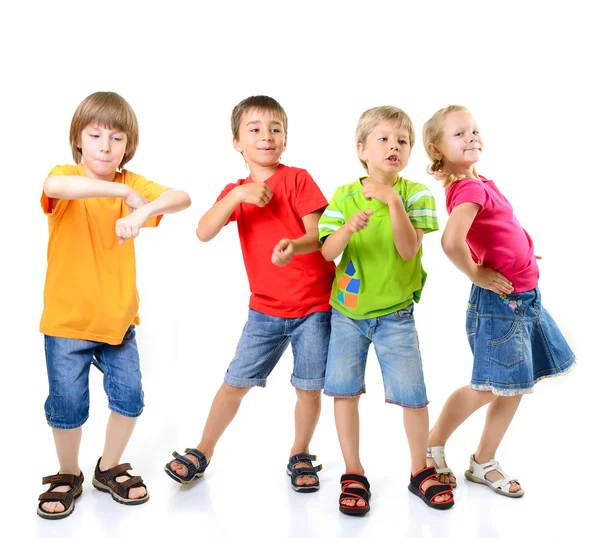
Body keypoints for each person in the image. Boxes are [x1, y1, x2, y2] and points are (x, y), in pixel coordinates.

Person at [165, 96, 335, 494]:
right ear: (236, 142)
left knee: (308, 387)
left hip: (314, 306)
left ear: (286, 139)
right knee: (235, 381)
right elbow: (203, 231)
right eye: (255, 129)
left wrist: (293, 246)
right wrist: (237, 197)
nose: (266, 136)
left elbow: (321, 236)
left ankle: (300, 453)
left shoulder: (297, 179)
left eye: (276, 129)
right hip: (265, 311)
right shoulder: (236, 192)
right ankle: (202, 451)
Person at [38, 91, 191, 519]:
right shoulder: (66, 176)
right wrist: (118, 194)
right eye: (95, 135)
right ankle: (68, 473)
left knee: (130, 398)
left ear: (128, 145)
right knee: (67, 405)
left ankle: (108, 467)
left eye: (117, 138)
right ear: (79, 140)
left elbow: (180, 197)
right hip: (67, 323)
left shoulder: (133, 185)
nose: (105, 145)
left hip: (118, 323)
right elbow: (56, 187)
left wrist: (142, 212)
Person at [422, 104, 575, 497]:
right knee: (490, 385)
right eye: (458, 134)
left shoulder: (480, 181)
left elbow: (498, 228)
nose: (471, 136)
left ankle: (483, 461)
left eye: (473, 130)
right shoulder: (469, 188)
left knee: (514, 386)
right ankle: (433, 442)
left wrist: (521, 251)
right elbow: (451, 242)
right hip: (501, 306)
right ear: (438, 149)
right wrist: (477, 273)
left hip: (524, 298)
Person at [318, 106, 454, 515]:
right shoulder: (344, 195)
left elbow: (409, 248)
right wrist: (347, 228)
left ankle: (419, 470)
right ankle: (354, 471)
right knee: (344, 392)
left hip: (395, 315)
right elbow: (327, 251)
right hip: (347, 313)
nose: (394, 146)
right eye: (384, 139)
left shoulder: (415, 194)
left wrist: (392, 200)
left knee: (413, 396)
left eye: (403, 141)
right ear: (362, 149)